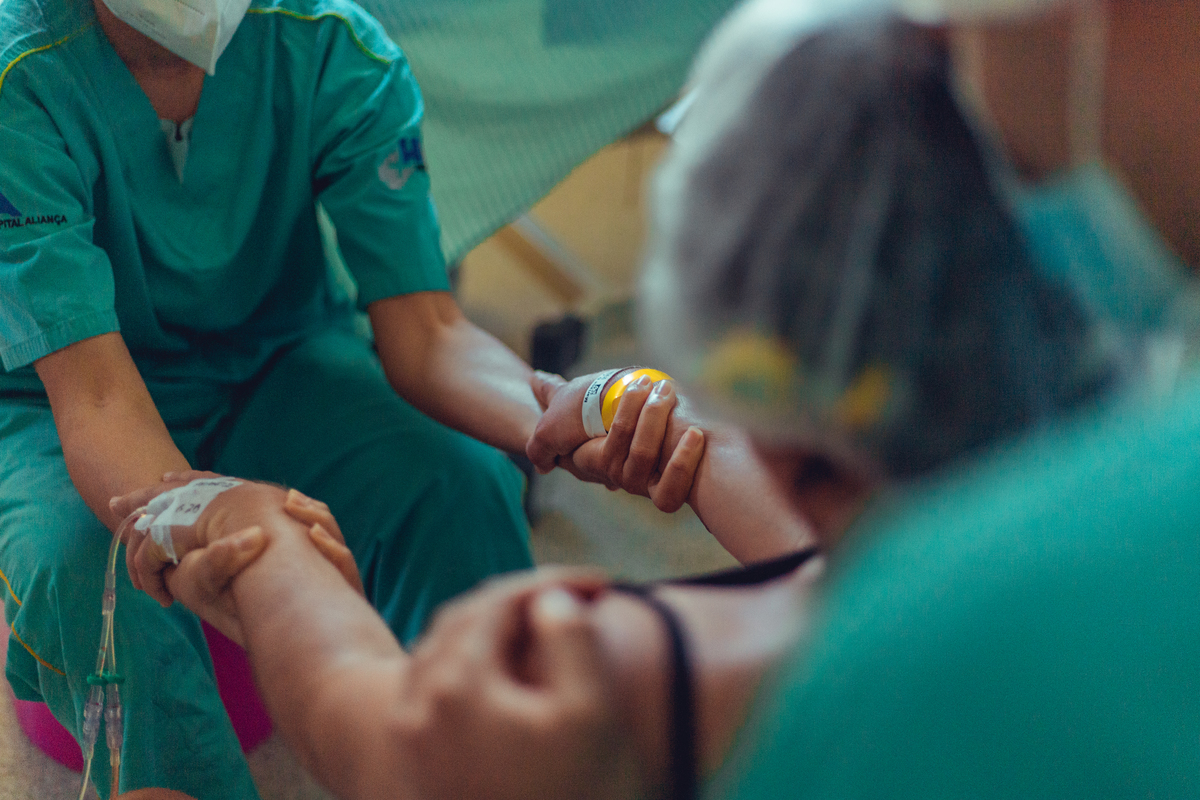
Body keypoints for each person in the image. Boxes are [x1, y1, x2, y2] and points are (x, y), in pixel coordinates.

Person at [114, 0, 1200, 797]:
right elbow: (715, 446)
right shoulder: (927, 559)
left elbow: (380, 732)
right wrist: (604, 404)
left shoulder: (671, 679)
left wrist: (253, 537)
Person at [0, 0, 753, 796]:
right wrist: (211, 513)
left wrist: (565, 410)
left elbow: (427, 332)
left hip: (275, 356)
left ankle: (481, 768)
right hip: (64, 394)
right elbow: (99, 402)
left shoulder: (330, 47)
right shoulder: (25, 82)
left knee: (457, 478)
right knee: (91, 573)